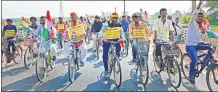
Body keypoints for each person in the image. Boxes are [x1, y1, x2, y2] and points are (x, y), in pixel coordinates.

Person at [185, 1, 208, 84]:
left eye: (202, 16)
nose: (200, 17)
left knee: (212, 46)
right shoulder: (192, 23)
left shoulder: (202, 27)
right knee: (194, 60)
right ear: (196, 17)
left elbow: (203, 38)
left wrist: (203, 32)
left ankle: (204, 63)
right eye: (199, 16)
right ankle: (191, 75)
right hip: (190, 45)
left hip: (198, 44)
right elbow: (194, 13)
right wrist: (199, 6)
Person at [98, 12, 125, 78]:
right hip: (107, 40)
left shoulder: (119, 24)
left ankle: (117, 58)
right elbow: (102, 31)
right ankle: (106, 70)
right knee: (105, 55)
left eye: (116, 18)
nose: (115, 19)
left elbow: (121, 32)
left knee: (118, 50)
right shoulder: (106, 24)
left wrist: (123, 38)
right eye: (114, 18)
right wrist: (102, 37)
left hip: (116, 39)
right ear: (111, 18)